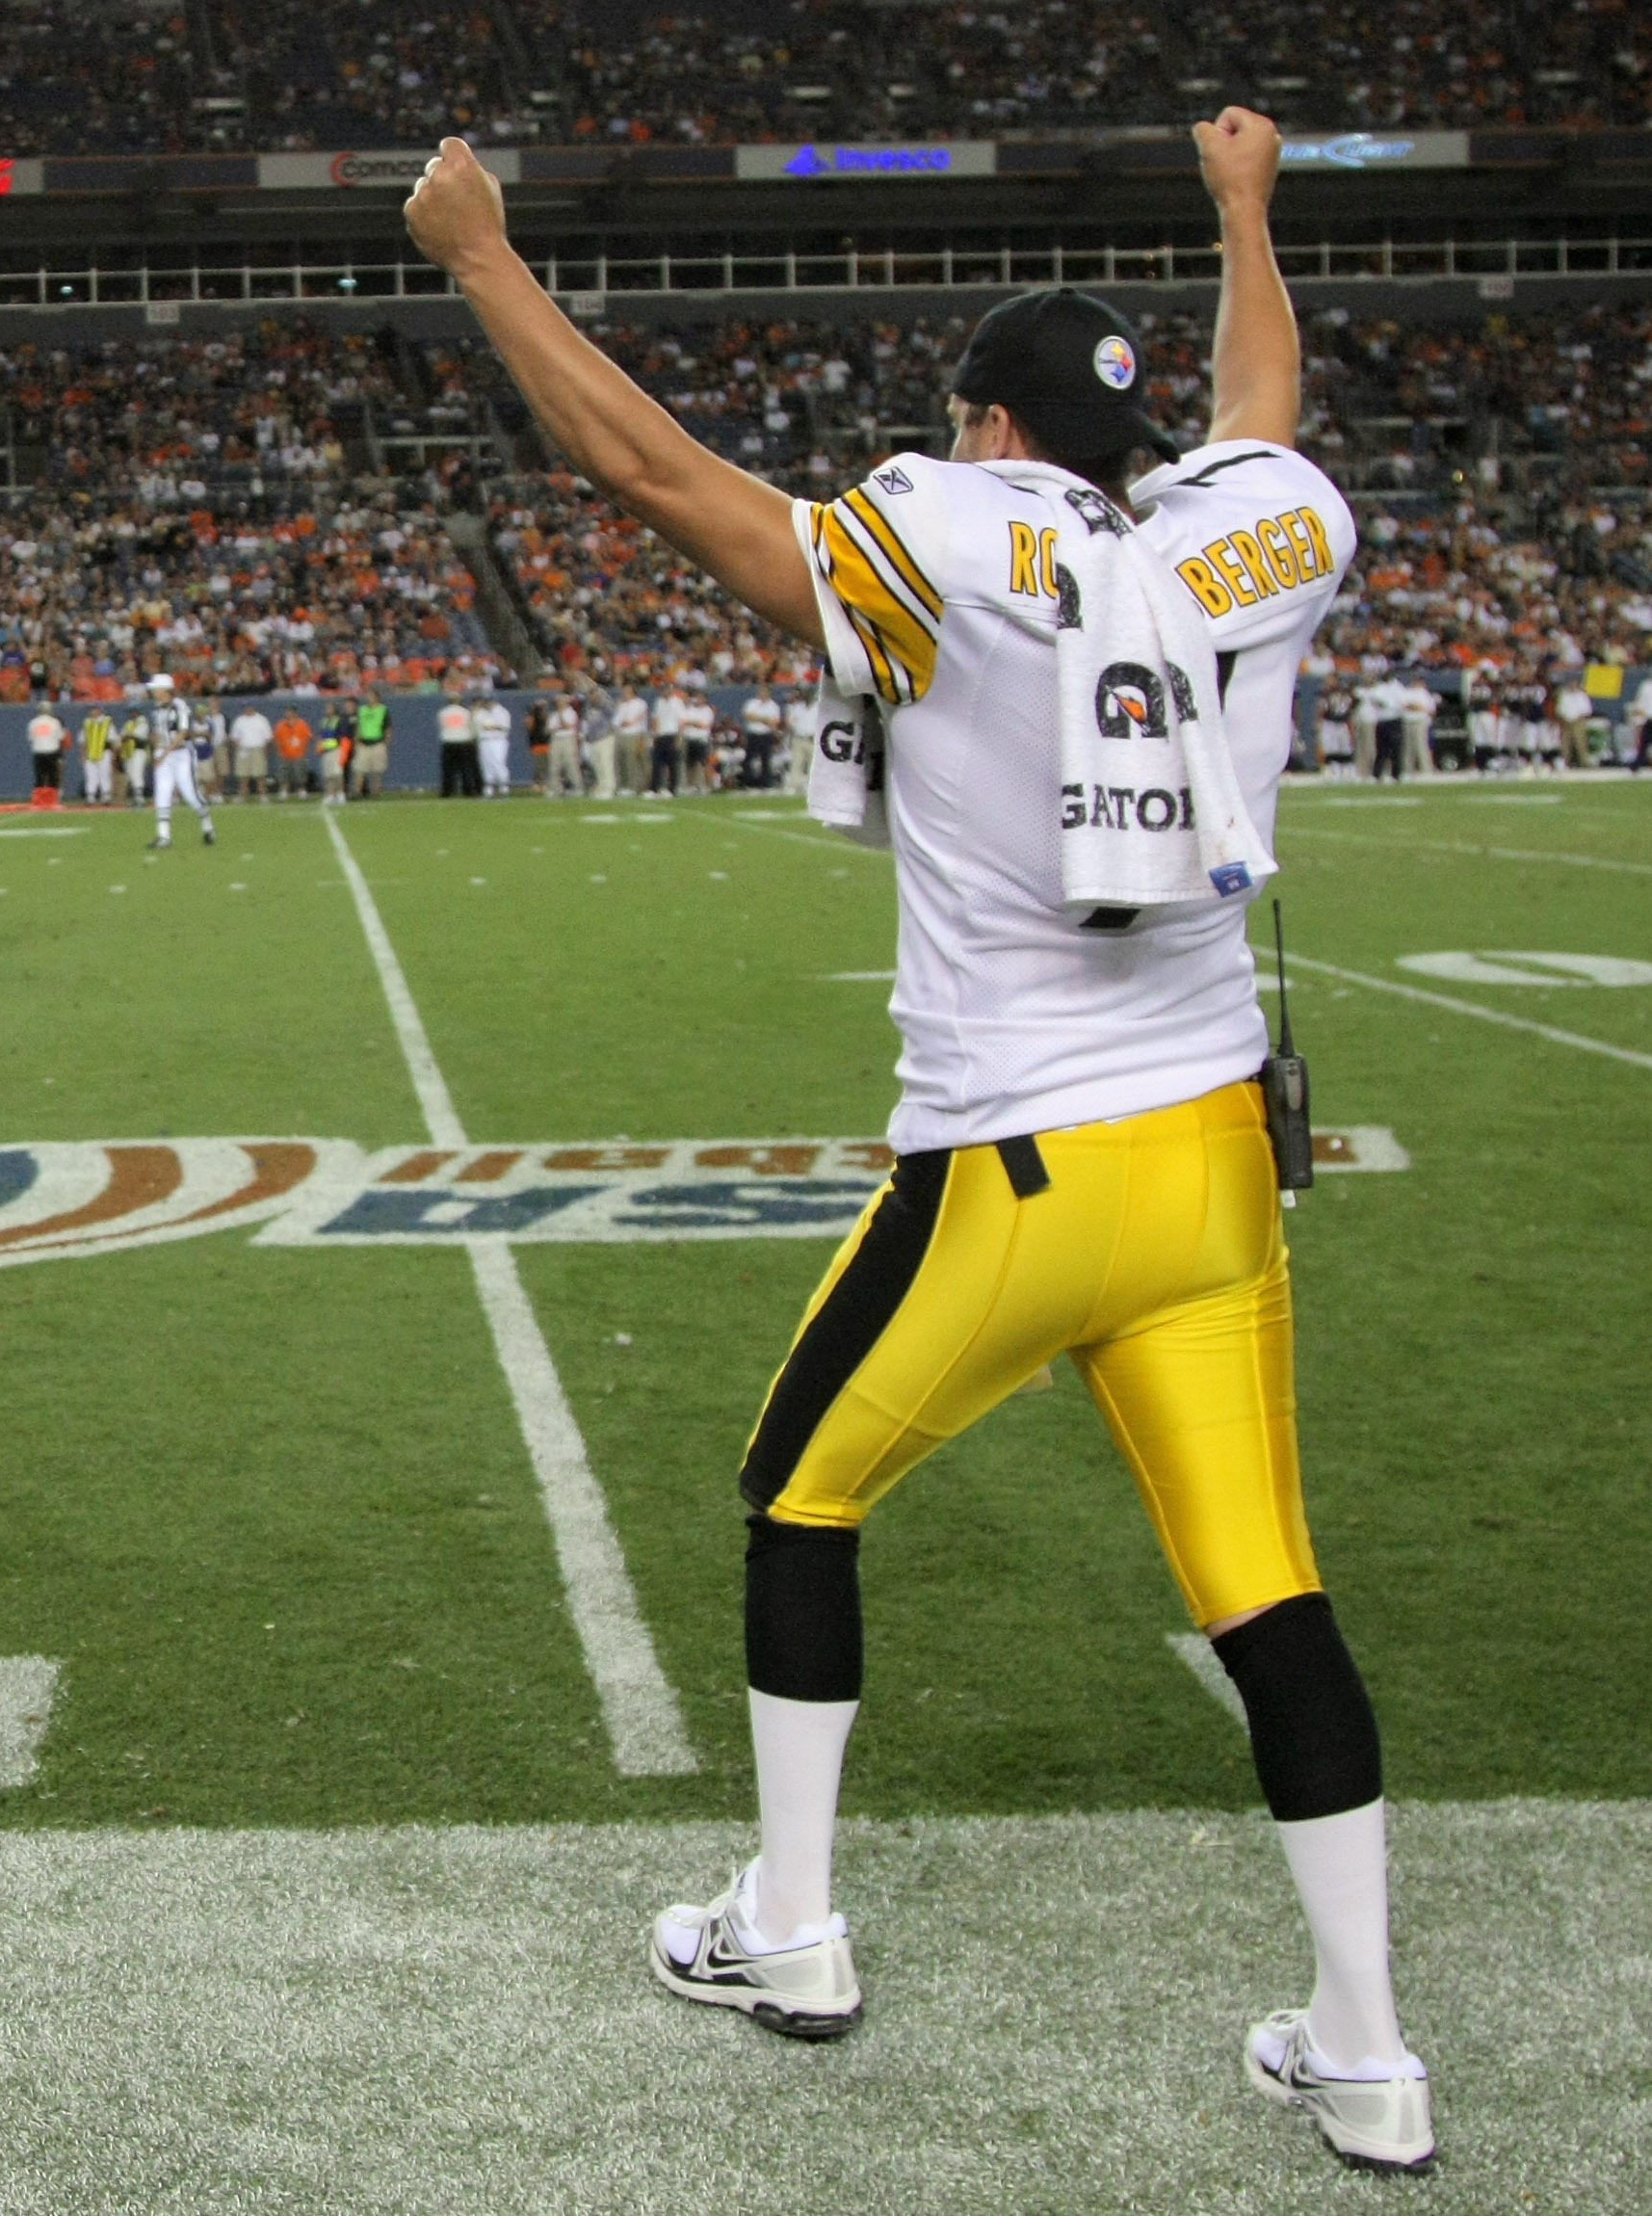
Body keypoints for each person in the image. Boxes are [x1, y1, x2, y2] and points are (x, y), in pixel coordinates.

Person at [409, 106, 1431, 2174]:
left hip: (1016, 1163)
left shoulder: (950, 536)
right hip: (1215, 1169)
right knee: (1269, 1592)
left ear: (981, 422)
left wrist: (483, 263)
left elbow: (649, 476)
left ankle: (785, 1924)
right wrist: (1245, 211)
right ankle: (1367, 2044)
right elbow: (1262, 397)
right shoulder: (1250, 515)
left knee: (798, 1488)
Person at [144, 673, 213, 850]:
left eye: (156, 689)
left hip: (181, 754)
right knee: (162, 792)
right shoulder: (158, 709)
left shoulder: (179, 706)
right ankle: (164, 835)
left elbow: (183, 733)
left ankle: (207, 825)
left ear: (164, 689)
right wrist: (157, 748)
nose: (153, 692)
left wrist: (164, 753)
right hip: (165, 753)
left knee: (190, 793)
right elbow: (158, 733)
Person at [226, 699, 274, 801]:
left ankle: (263, 795)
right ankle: (242, 795)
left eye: (249, 706)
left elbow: (268, 738)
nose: (247, 709)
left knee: (260, 774)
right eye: (245, 707)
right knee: (243, 775)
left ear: (253, 707)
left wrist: (266, 751)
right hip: (243, 750)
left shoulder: (261, 719)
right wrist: (237, 750)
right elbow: (234, 738)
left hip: (258, 749)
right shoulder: (239, 720)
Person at [436, 691, 480, 798]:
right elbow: (471, 726)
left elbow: (442, 726)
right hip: (464, 741)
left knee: (448, 769)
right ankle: (468, 790)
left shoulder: (443, 712)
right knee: (466, 768)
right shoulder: (465, 712)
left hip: (449, 742)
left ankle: (447, 791)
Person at [475, 691, 514, 797]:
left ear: (494, 701)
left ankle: (504, 787)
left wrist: (492, 726)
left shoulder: (502, 712)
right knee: (486, 764)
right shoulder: (481, 712)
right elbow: (477, 725)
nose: (487, 703)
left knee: (498, 762)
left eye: (489, 701)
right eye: (486, 701)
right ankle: (488, 788)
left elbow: (505, 727)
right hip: (484, 740)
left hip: (498, 740)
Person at [351, 693, 391, 799]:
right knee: (360, 769)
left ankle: (376, 792)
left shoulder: (382, 710)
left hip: (377, 742)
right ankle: (357, 792)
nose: (369, 698)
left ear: (377, 698)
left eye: (371, 696)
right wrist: (357, 741)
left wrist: (386, 743)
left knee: (377, 770)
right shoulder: (362, 710)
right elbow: (359, 726)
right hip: (363, 743)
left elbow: (388, 728)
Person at [26, 700, 66, 800]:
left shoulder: (33, 722)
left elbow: (30, 738)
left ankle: (39, 799)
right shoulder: (55, 722)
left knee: (39, 777)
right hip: (52, 752)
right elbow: (61, 737)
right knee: (53, 777)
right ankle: (53, 799)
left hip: (39, 752)